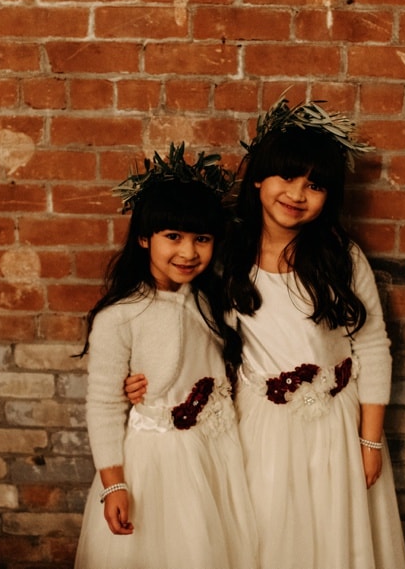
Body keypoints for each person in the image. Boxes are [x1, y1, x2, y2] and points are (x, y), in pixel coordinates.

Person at [223, 101, 405, 568]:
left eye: (315, 185)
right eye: (287, 178)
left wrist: (369, 442)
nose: (297, 194)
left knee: (334, 538)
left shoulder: (340, 257)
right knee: (269, 537)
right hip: (259, 427)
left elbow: (372, 345)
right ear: (258, 180)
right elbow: (199, 336)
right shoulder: (228, 258)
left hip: (336, 426)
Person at [77, 152, 256, 569]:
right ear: (144, 238)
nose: (189, 252)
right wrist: (113, 484)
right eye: (173, 237)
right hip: (156, 464)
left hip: (217, 454)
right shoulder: (119, 316)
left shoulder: (215, 303)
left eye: (202, 239)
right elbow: (103, 406)